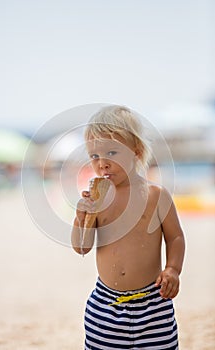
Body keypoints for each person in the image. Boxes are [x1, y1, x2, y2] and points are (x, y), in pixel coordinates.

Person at [71, 105, 185, 350]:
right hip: (106, 305)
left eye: (112, 153)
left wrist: (173, 269)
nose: (102, 164)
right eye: (94, 156)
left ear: (136, 151)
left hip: (154, 302)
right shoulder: (97, 200)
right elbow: (81, 247)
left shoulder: (156, 195)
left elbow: (175, 237)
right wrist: (81, 217)